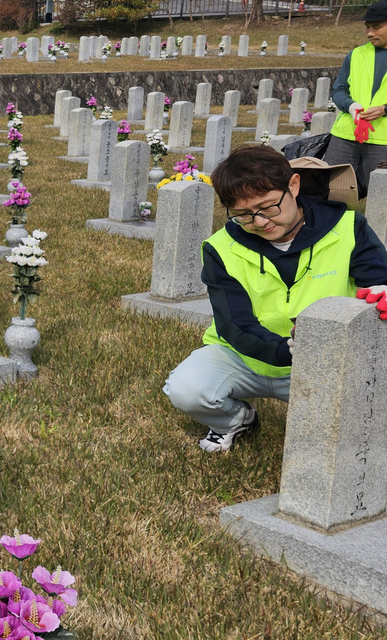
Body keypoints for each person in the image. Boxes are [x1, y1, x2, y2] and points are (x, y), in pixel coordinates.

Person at [163, 144, 387, 453]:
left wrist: (382, 291)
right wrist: (287, 349)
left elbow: (377, 282)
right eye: (243, 214)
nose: (260, 222)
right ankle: (235, 420)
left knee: (362, 419)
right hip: (243, 356)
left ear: (293, 186)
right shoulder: (221, 247)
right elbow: (234, 324)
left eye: (268, 207)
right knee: (186, 389)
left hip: (325, 360)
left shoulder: (348, 227)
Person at [324, 0, 387, 195]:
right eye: (367, 27)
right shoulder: (356, 55)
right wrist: (351, 106)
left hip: (383, 139)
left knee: (379, 198)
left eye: (376, 27)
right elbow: (339, 90)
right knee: (333, 192)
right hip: (346, 135)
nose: (370, 33)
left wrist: (385, 109)